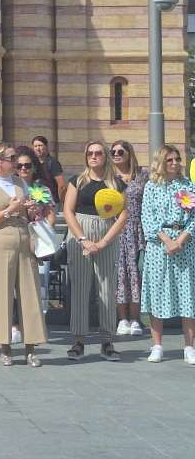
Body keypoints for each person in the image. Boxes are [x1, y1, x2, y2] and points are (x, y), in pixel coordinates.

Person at [0, 143, 46, 367]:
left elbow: (26, 212)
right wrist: (9, 211)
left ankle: (31, 348)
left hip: (23, 239)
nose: (17, 162)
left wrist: (30, 210)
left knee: (30, 292)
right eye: (12, 158)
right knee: (1, 293)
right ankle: (5, 347)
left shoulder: (19, 183)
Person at [63, 141, 127, 362]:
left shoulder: (115, 183)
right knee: (80, 287)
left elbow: (123, 216)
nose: (93, 156)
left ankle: (107, 341)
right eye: (90, 153)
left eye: (98, 153)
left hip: (106, 234)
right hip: (80, 235)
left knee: (107, 288)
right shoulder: (77, 181)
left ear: (105, 156)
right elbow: (68, 211)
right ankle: (78, 341)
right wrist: (83, 239)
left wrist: (103, 242)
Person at [140, 145, 195, 364]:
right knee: (158, 292)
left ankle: (189, 346)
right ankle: (157, 345)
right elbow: (147, 217)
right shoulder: (152, 187)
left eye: (177, 159)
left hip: (184, 242)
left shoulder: (188, 186)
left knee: (187, 293)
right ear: (161, 162)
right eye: (170, 159)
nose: (174, 163)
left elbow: (194, 217)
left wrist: (181, 239)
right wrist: (166, 240)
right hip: (159, 245)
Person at [15, 145, 57, 315]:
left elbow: (51, 214)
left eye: (27, 165)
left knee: (40, 280)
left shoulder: (42, 189)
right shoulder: (11, 188)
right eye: (19, 166)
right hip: (17, 236)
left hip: (39, 239)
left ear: (34, 167)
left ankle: (37, 317)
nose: (24, 169)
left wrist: (45, 229)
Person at [111, 140, 147, 337]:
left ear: (129, 154)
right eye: (113, 151)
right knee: (119, 276)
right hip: (115, 231)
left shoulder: (142, 176)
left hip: (136, 231)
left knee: (136, 275)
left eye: (120, 151)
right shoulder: (108, 177)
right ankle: (122, 319)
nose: (116, 154)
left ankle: (135, 319)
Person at [32, 135, 67, 205]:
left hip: (52, 203)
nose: (38, 148)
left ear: (46, 146)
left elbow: (62, 186)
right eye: (35, 146)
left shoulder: (53, 163)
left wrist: (60, 203)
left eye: (40, 145)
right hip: (36, 203)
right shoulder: (32, 163)